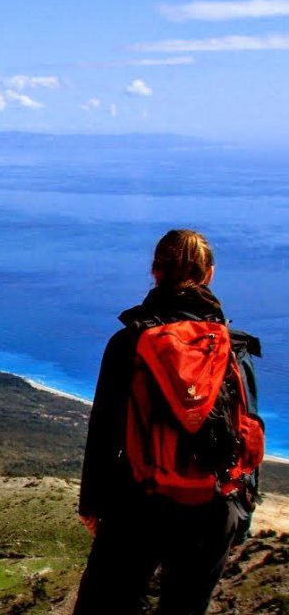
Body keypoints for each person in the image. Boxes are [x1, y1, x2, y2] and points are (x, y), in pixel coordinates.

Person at [73, 229, 262, 615]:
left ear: (155, 271)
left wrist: (92, 504)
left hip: (139, 502)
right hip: (214, 507)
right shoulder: (230, 345)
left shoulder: (130, 342)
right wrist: (243, 515)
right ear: (209, 274)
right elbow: (249, 426)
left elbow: (104, 430)